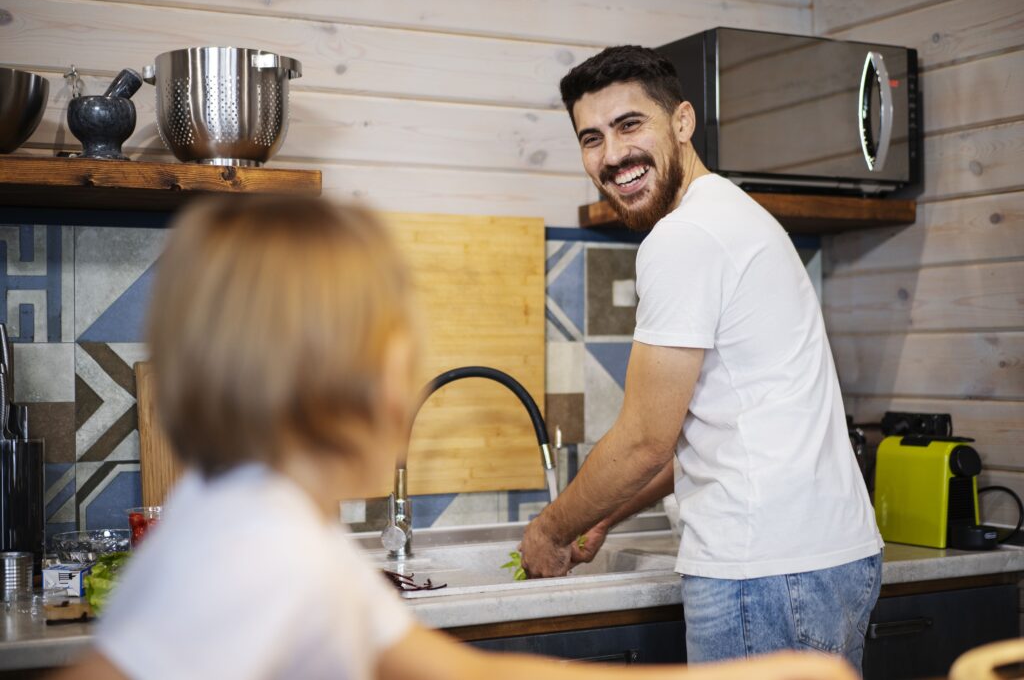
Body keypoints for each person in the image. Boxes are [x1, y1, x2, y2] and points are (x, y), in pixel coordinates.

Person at [50, 196, 856, 680]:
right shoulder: (260, 552)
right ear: (338, 378)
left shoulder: (243, 517)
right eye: (402, 346)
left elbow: (472, 673)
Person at [519, 45, 884, 671]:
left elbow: (645, 441)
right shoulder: (732, 216)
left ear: (681, 123)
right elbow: (708, 430)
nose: (612, 156)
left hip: (764, 572)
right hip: (820, 560)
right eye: (591, 138)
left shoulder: (684, 237)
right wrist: (604, 514)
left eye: (630, 125)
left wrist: (551, 531)